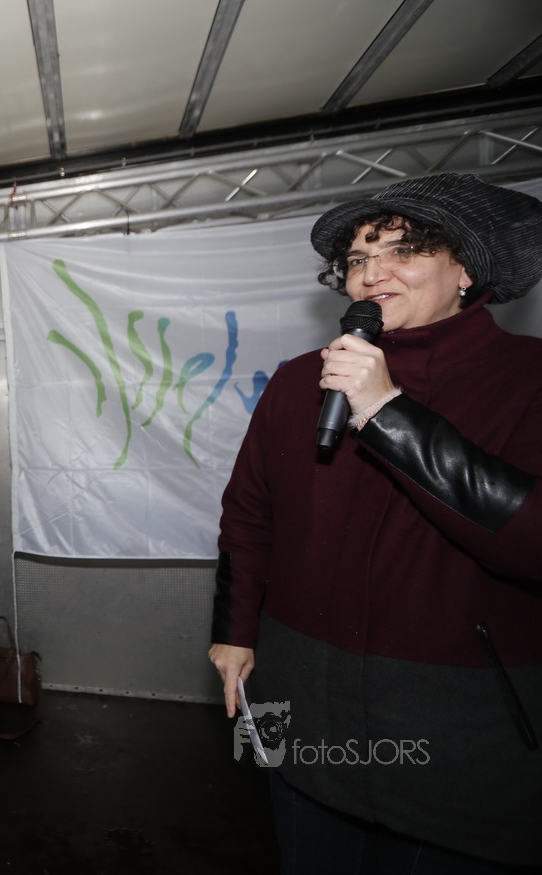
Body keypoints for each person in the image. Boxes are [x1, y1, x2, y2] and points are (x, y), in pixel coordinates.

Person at [209, 173, 542, 873]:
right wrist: (234, 631)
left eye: (404, 250)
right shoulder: (299, 380)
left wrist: (386, 412)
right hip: (305, 702)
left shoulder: (528, 378)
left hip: (457, 729)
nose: (371, 273)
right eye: (358, 258)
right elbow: (247, 515)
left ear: (467, 269)